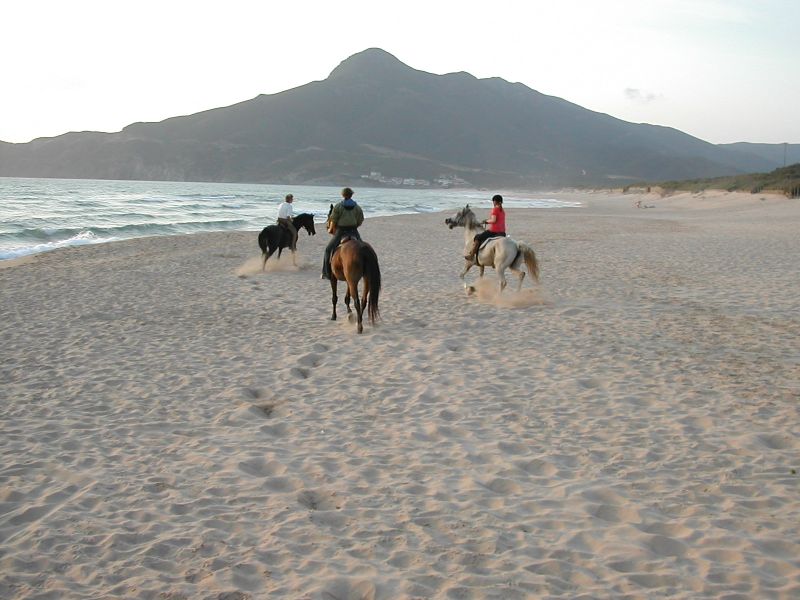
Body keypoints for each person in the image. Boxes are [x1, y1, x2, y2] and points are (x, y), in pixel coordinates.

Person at [322, 187, 364, 279]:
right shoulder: (357, 207)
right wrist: (355, 226)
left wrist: (330, 229)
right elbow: (360, 220)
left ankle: (326, 273)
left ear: (343, 195)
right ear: (351, 195)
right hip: (353, 230)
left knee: (328, 250)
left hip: (341, 231)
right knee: (363, 249)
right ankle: (366, 271)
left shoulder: (338, 206)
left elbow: (333, 220)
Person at [465, 194, 506, 261]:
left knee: (478, 237)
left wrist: (486, 221)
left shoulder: (495, 209)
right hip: (502, 232)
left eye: (493, 201)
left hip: (494, 231)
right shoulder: (502, 210)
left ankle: (471, 255)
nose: (493, 203)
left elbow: (493, 220)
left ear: (495, 201)